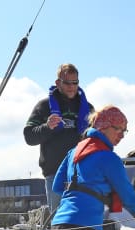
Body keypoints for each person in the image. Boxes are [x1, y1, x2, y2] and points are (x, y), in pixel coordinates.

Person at [23, 63, 94, 215]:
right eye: (67, 82)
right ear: (58, 83)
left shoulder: (88, 108)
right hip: (55, 176)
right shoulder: (43, 107)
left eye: (75, 83)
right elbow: (29, 136)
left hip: (83, 174)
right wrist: (47, 127)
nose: (71, 86)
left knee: (84, 220)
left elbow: (99, 137)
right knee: (60, 222)